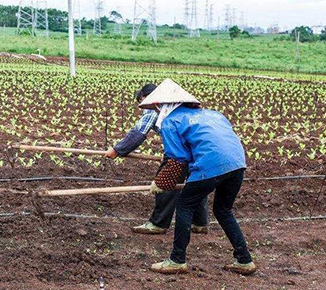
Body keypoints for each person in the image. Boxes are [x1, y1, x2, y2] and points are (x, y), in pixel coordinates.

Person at [139, 79, 256, 275]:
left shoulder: (170, 122)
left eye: (156, 107)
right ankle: (244, 260)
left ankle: (177, 260)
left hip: (210, 164)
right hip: (237, 163)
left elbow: (178, 159)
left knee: (184, 205)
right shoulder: (214, 114)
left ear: (162, 106)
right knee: (223, 210)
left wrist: (160, 183)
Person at [105, 83, 208, 235]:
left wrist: (116, 150)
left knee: (165, 183)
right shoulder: (182, 106)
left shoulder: (155, 108)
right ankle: (199, 223)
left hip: (180, 150)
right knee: (195, 184)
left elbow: (138, 134)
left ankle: (158, 223)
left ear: (148, 98)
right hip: (200, 149)